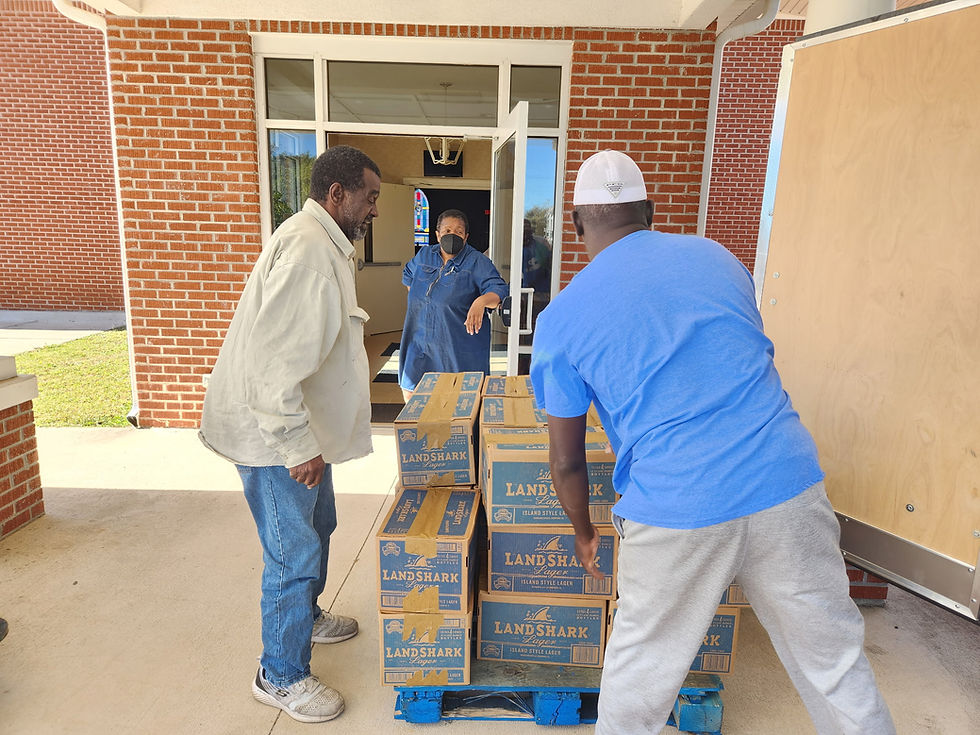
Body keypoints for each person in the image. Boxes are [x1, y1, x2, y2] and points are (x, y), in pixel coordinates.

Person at [529, 150, 895, 735]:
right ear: (649, 211)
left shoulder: (563, 317)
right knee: (835, 664)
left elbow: (567, 459)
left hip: (677, 507)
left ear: (575, 227)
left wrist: (584, 530)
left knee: (640, 679)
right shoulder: (719, 258)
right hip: (786, 483)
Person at [199, 145, 381, 724]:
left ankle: (307, 613)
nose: (375, 208)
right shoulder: (308, 251)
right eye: (371, 196)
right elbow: (273, 366)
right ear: (338, 194)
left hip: (300, 430)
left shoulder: (323, 243)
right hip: (273, 437)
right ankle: (278, 674)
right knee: (293, 551)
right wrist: (298, 446)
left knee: (319, 525)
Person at [398, 208, 508, 397]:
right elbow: (408, 274)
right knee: (413, 397)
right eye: (447, 231)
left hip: (457, 348)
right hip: (419, 340)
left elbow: (499, 289)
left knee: (457, 402)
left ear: (466, 237)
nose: (452, 235)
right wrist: (423, 301)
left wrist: (481, 302)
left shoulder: (477, 262)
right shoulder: (425, 255)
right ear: (437, 234)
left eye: (458, 232)